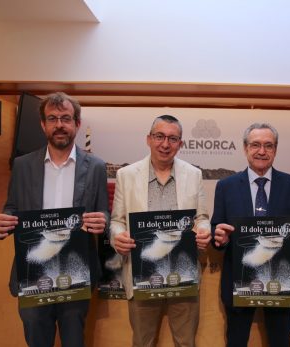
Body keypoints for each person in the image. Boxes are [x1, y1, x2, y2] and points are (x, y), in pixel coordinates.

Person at [0, 92, 109, 347]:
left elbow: (104, 213)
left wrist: (103, 222)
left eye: (66, 118)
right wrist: (5, 222)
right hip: (33, 271)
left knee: (74, 341)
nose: (59, 125)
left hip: (76, 271)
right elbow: (12, 207)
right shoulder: (22, 166)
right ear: (43, 125)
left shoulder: (97, 166)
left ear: (77, 124)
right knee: (36, 337)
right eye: (52, 118)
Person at [211, 122, 290, 347]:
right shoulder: (226, 186)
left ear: (276, 149)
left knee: (280, 342)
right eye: (256, 145)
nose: (262, 151)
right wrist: (219, 238)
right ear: (245, 148)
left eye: (268, 146)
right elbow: (216, 230)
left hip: (280, 283)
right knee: (236, 341)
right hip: (238, 282)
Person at [110, 114, 211, 347]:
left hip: (184, 274)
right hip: (141, 274)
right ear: (148, 139)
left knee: (186, 342)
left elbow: (202, 217)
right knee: (142, 342)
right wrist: (117, 237)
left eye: (173, 138)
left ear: (181, 143)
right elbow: (117, 221)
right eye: (159, 136)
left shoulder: (194, 174)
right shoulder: (126, 175)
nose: (165, 144)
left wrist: (203, 231)